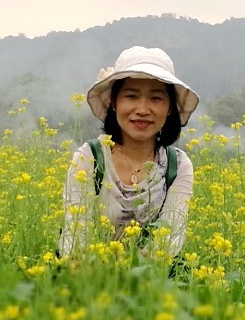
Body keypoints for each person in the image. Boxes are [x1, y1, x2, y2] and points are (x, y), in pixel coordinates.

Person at [59, 46, 197, 261]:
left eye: (156, 98)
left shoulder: (177, 165)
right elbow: (75, 239)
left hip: (151, 282)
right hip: (87, 279)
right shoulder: (89, 159)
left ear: (170, 107)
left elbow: (169, 240)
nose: (142, 109)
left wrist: (131, 277)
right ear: (114, 102)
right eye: (131, 96)